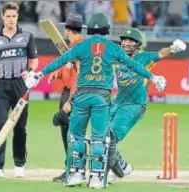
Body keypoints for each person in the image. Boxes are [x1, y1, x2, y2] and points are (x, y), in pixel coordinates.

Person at [24, 12, 167, 189]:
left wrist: (38, 75)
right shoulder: (114, 48)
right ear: (107, 29)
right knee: (99, 138)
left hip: (82, 96)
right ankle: (96, 177)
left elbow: (60, 60)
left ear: (90, 28)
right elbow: (134, 65)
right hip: (101, 98)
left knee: (77, 136)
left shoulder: (81, 46)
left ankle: (76, 174)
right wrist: (153, 77)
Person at [107, 28, 187, 183]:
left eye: (130, 40)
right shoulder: (118, 57)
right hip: (117, 102)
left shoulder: (143, 58)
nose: (126, 43)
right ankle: (122, 166)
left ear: (137, 44)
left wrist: (173, 49)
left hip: (135, 104)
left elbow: (160, 54)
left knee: (111, 136)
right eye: (124, 40)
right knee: (102, 135)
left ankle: (118, 171)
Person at [0, 2, 38, 178]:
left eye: (14, 16)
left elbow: (34, 60)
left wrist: (29, 71)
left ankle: (19, 165)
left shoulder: (27, 36)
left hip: (20, 87)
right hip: (1, 85)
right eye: (8, 16)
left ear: (17, 16)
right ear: (2, 17)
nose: (11, 20)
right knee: (0, 125)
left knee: (20, 127)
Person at [48, 13, 84, 182]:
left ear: (67, 30)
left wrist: (71, 101)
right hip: (68, 93)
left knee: (72, 134)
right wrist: (57, 74)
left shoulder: (78, 47)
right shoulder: (72, 46)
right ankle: (71, 168)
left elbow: (79, 77)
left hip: (73, 95)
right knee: (68, 133)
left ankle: (75, 169)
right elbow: (68, 69)